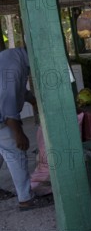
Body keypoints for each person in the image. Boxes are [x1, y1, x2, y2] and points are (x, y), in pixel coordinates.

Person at [0, 47, 47, 210]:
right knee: (16, 154)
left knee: (3, 152)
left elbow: (20, 90)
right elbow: (8, 104)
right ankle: (26, 199)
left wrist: (33, 100)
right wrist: (19, 134)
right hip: (3, 121)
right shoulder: (14, 67)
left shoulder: (15, 58)